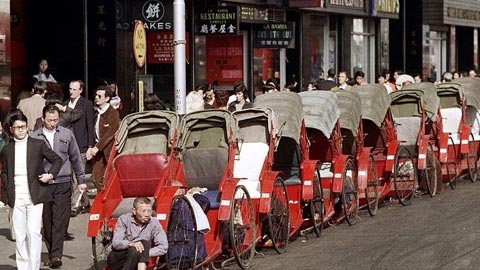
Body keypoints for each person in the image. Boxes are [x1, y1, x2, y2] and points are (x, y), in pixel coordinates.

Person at [1, 109, 62, 270]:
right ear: (11, 129)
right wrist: (8, 192)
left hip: (36, 194)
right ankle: (23, 267)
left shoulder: (37, 144)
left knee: (33, 233)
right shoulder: (7, 149)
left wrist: (50, 175)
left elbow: (57, 160)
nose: (21, 130)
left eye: (23, 126)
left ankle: (33, 267)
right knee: (19, 235)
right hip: (16, 195)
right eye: (17, 127)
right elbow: (5, 172)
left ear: (28, 126)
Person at [31, 105, 86, 268]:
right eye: (50, 120)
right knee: (47, 222)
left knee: (60, 220)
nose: (53, 123)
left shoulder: (67, 134)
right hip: (44, 184)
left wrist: (81, 180)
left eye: (56, 120)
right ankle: (51, 251)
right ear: (43, 119)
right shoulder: (35, 137)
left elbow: (75, 158)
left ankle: (56, 256)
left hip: (62, 182)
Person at [107, 197, 168, 270]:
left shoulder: (154, 223)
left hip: (138, 260)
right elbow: (116, 243)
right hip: (119, 257)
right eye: (143, 211)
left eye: (149, 211)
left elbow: (163, 247)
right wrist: (130, 244)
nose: (147, 214)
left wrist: (143, 253)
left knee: (142, 244)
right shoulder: (124, 219)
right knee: (137, 246)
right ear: (134, 211)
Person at [65, 80, 94, 215]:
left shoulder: (86, 104)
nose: (71, 92)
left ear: (80, 90)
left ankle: (73, 205)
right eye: (70, 89)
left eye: (74, 89)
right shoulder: (65, 104)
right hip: (68, 146)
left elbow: (90, 125)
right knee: (72, 177)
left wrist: (90, 146)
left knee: (78, 176)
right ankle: (86, 203)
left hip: (81, 145)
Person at [86, 86, 121, 190]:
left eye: (99, 96)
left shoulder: (113, 113)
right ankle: (102, 197)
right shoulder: (97, 113)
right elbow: (93, 131)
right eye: (95, 95)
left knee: (109, 178)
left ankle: (107, 199)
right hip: (98, 151)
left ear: (107, 98)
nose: (96, 97)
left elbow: (111, 132)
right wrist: (90, 147)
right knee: (95, 178)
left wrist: (96, 147)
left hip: (108, 150)